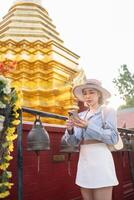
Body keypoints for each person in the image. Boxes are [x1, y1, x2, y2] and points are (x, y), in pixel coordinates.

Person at [64, 79, 119, 200]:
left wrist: (88, 126)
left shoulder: (107, 111)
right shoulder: (81, 115)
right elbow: (73, 143)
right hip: (84, 159)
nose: (87, 96)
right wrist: (70, 130)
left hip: (101, 158)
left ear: (99, 94)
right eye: (85, 93)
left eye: (91, 92)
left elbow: (113, 138)